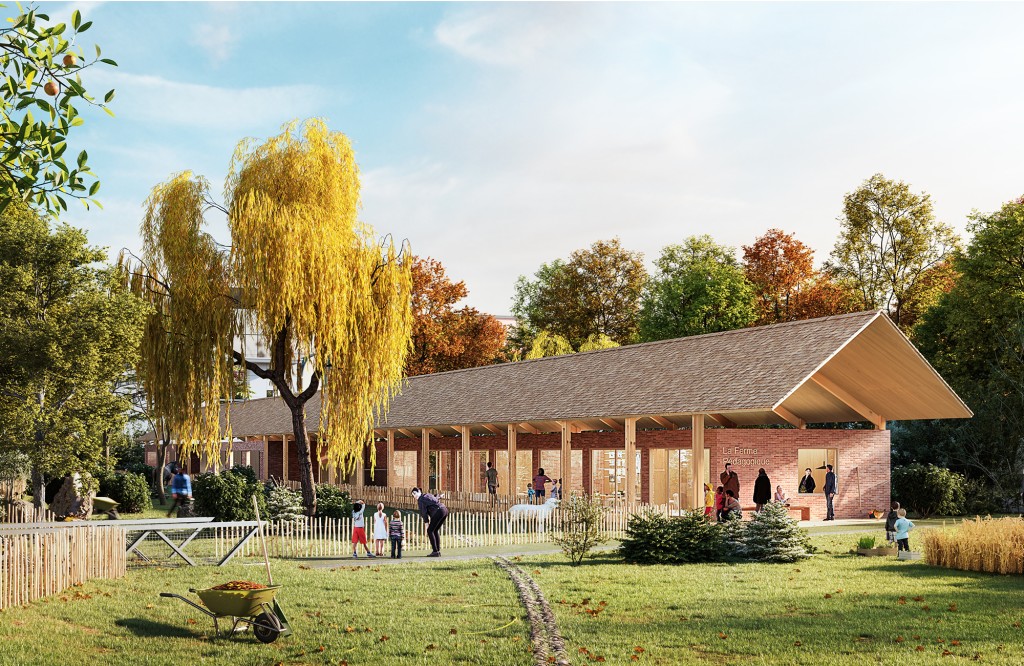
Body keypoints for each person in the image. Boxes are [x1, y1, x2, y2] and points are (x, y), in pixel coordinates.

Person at [413, 486, 449, 557]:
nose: (414, 496)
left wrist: (426, 522)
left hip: (438, 511)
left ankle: (435, 551)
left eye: (414, 494)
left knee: (430, 531)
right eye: (413, 495)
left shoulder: (420, 499)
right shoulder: (427, 495)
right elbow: (435, 498)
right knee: (434, 530)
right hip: (444, 510)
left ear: (418, 493)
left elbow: (423, 512)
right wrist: (440, 496)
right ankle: (437, 550)